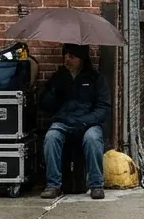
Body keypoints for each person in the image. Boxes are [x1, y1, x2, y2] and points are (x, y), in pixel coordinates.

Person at [37, 43, 111, 200]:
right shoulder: (59, 77)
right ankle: (53, 184)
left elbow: (103, 108)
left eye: (71, 57)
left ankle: (96, 185)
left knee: (92, 139)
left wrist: (85, 121)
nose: (67, 60)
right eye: (65, 56)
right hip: (63, 121)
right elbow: (45, 105)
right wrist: (54, 90)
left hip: (88, 123)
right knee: (51, 138)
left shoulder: (95, 79)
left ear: (81, 59)